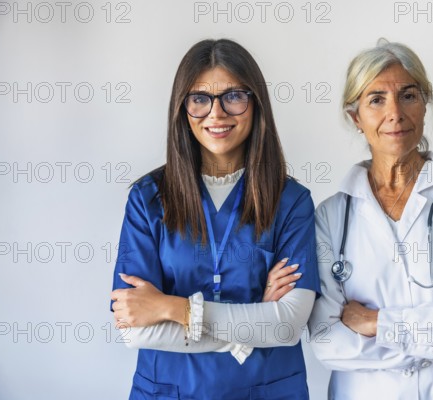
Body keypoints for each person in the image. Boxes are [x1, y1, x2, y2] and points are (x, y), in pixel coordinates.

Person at [110, 39, 320, 400]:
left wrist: (174, 309)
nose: (217, 113)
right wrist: (254, 326)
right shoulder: (147, 199)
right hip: (170, 391)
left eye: (234, 96)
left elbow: (287, 326)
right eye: (200, 99)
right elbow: (135, 330)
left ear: (256, 103)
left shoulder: (291, 202)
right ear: (182, 108)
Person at [308, 39, 433, 399]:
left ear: (425, 103)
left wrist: (377, 323)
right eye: (376, 100)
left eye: (408, 95)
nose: (395, 113)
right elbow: (328, 343)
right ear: (355, 117)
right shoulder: (331, 217)